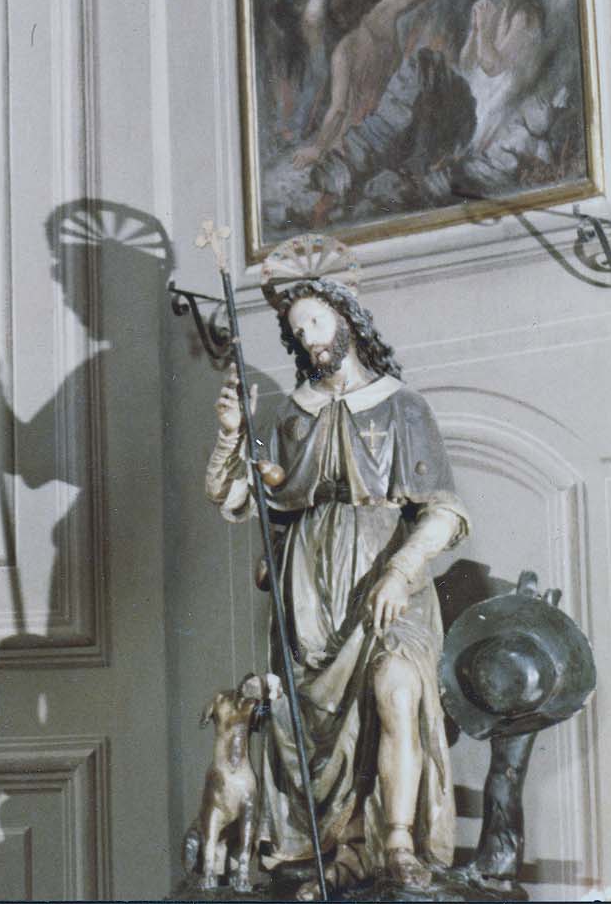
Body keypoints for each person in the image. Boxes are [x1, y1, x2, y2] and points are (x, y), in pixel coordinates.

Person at [205, 273, 469, 896]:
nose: (309, 338)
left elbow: (444, 510)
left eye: (316, 322)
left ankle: (399, 842)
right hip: (310, 601)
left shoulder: (402, 405)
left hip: (384, 584)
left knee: (398, 686)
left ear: (347, 319)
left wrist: (401, 572)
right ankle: (340, 854)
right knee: (317, 735)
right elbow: (236, 497)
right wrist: (228, 433)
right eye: (298, 331)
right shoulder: (294, 415)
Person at [292, 0, 483, 168]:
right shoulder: (385, 12)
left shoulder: (344, 51)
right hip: (393, 119)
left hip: (360, 133)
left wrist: (318, 148)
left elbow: (339, 109)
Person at [459, 0, 547, 155]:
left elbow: (493, 67)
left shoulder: (525, 17)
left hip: (503, 109)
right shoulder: (503, 11)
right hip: (482, 97)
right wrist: (475, 30)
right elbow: (466, 65)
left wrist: (483, 30)